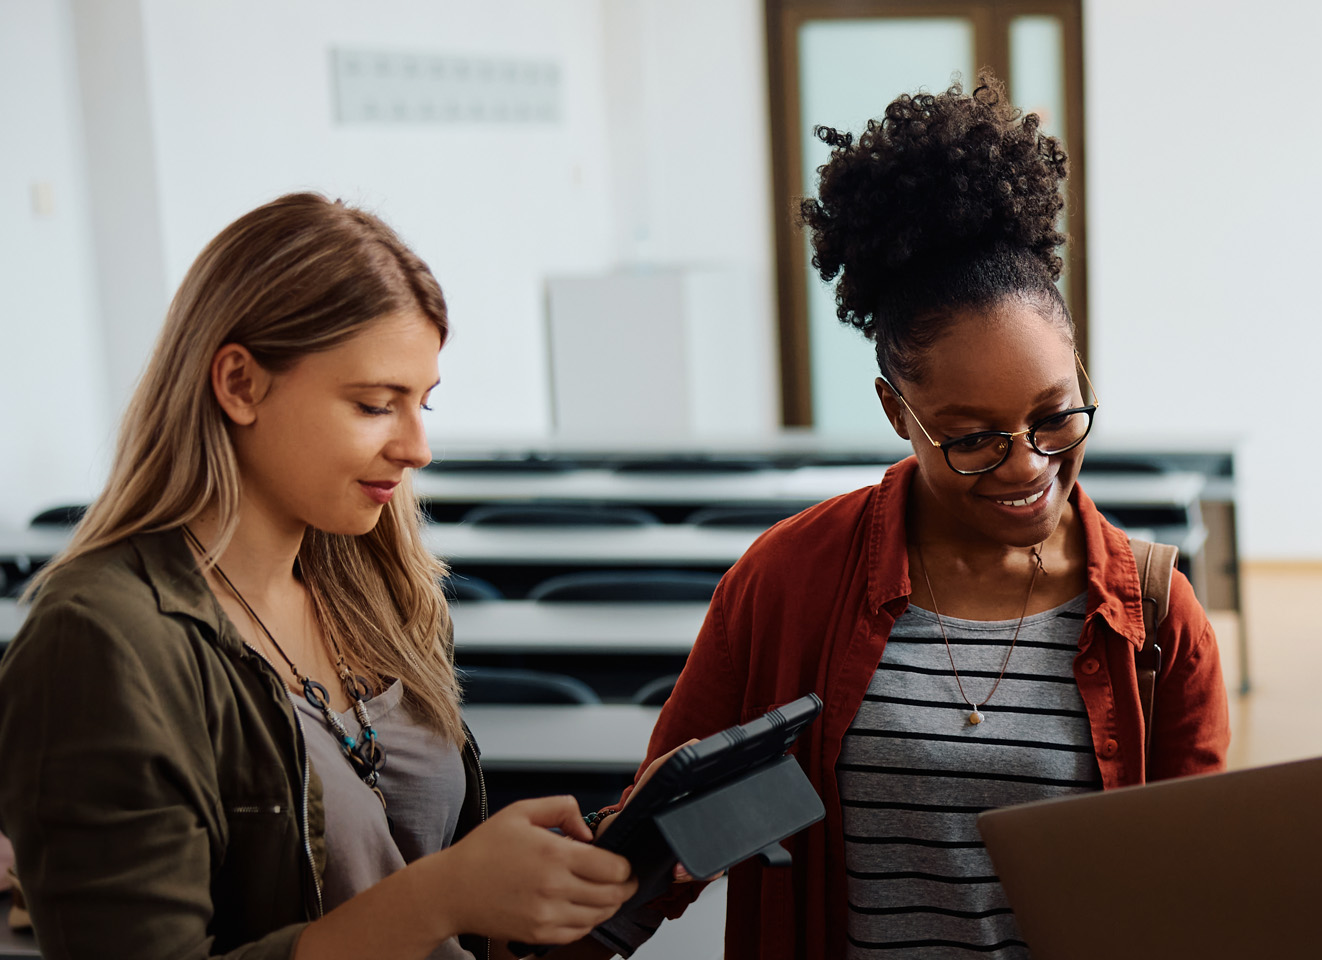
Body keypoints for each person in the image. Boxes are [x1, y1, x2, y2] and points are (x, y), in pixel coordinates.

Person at [575, 77, 1229, 960]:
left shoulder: (1154, 617)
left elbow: (1198, 884)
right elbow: (671, 845)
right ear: (897, 413)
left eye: (1055, 415)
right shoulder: (787, 582)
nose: (1030, 465)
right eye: (973, 439)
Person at [0, 194, 638, 960]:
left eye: (423, 403)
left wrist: (552, 887)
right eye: (375, 405)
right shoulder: (102, 640)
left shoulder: (378, 590)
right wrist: (442, 894)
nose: (417, 447)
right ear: (239, 385)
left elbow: (433, 906)